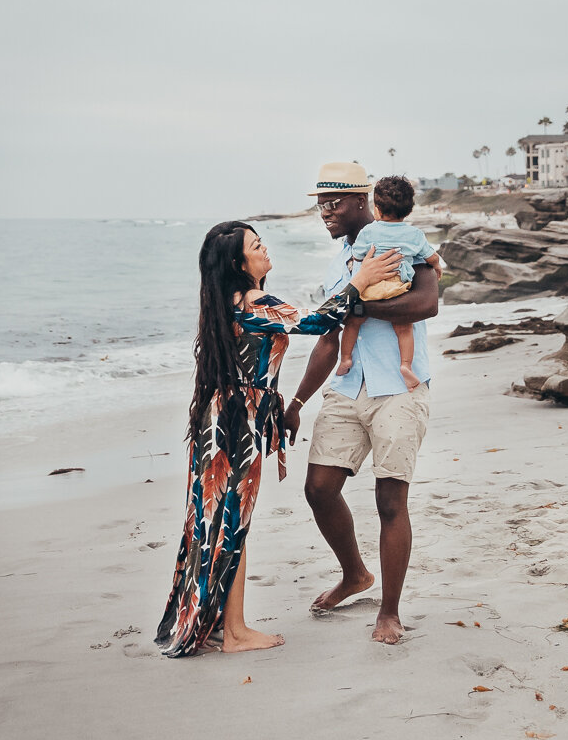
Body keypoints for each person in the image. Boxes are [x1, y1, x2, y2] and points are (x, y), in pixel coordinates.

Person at [155, 220, 404, 657]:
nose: (265, 249)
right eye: (256, 245)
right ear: (238, 263)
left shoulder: (228, 300)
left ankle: (216, 622)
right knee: (231, 522)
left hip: (227, 418)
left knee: (218, 521)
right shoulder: (251, 299)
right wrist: (359, 280)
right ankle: (234, 632)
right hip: (235, 425)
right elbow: (314, 322)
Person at [282, 161, 443, 645]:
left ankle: (389, 612)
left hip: (400, 386)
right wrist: (296, 401)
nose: (324, 213)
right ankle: (355, 575)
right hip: (349, 386)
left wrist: (355, 303)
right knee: (319, 488)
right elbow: (328, 339)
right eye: (319, 205)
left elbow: (426, 303)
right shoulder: (340, 262)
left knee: (390, 500)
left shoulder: (401, 241)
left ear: (360, 201)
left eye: (331, 204)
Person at [334, 176, 441, 390]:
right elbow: (431, 257)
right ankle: (406, 366)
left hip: (371, 286)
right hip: (397, 288)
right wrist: (437, 267)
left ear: (378, 209)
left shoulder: (368, 232)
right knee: (404, 328)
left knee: (354, 321)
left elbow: (357, 256)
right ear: (408, 210)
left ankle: (345, 358)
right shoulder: (414, 234)